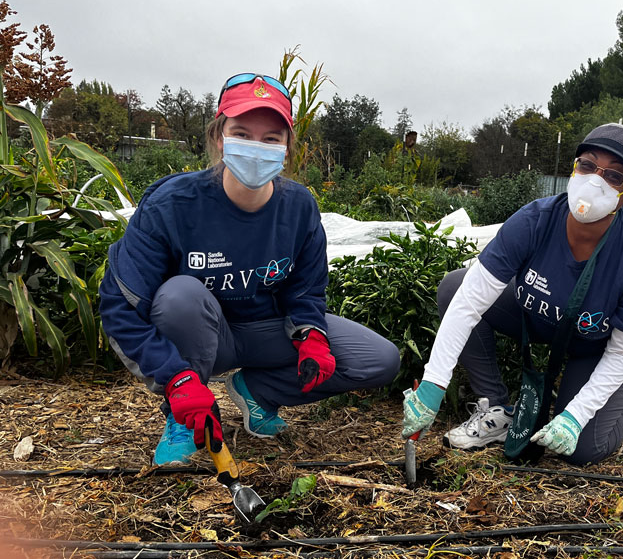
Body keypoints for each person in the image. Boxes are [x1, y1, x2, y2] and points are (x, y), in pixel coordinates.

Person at [99, 73, 400, 465]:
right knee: (179, 296)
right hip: (202, 335)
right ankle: (183, 415)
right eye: (242, 133)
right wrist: (175, 377)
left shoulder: (298, 208)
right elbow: (121, 304)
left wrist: (310, 334)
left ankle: (258, 392)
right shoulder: (171, 204)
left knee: (378, 359)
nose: (257, 148)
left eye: (271, 139)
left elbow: (306, 290)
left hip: (264, 330)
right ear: (219, 137)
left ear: (287, 149)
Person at [401, 123, 623, 466]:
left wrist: (575, 417)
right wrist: (433, 384)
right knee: (455, 286)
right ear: (574, 168)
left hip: (597, 345)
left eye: (614, 176)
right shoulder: (535, 220)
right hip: (539, 316)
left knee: (584, 449)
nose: (594, 181)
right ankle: (496, 408)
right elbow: (469, 301)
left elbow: (621, 351)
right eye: (587, 166)